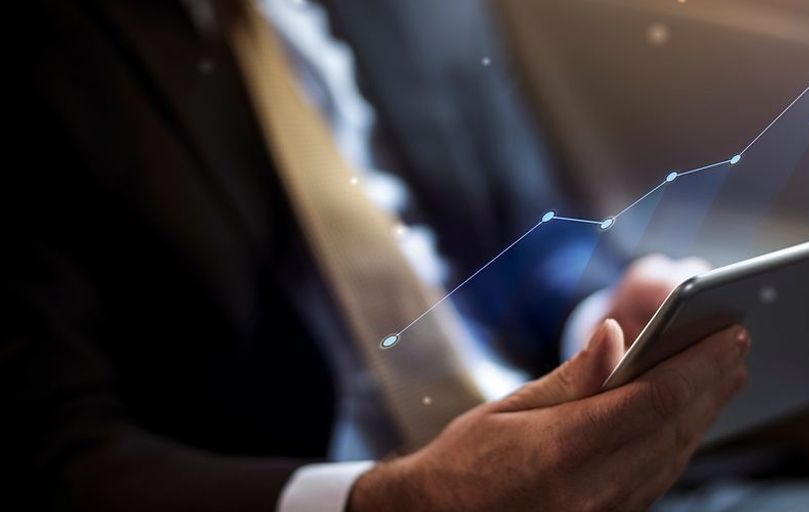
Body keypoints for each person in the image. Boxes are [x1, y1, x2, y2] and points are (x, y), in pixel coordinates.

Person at [6, 1, 748, 510]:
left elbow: (532, 232)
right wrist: (392, 503)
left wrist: (601, 313)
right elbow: (56, 458)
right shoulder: (46, 53)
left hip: (592, 474)